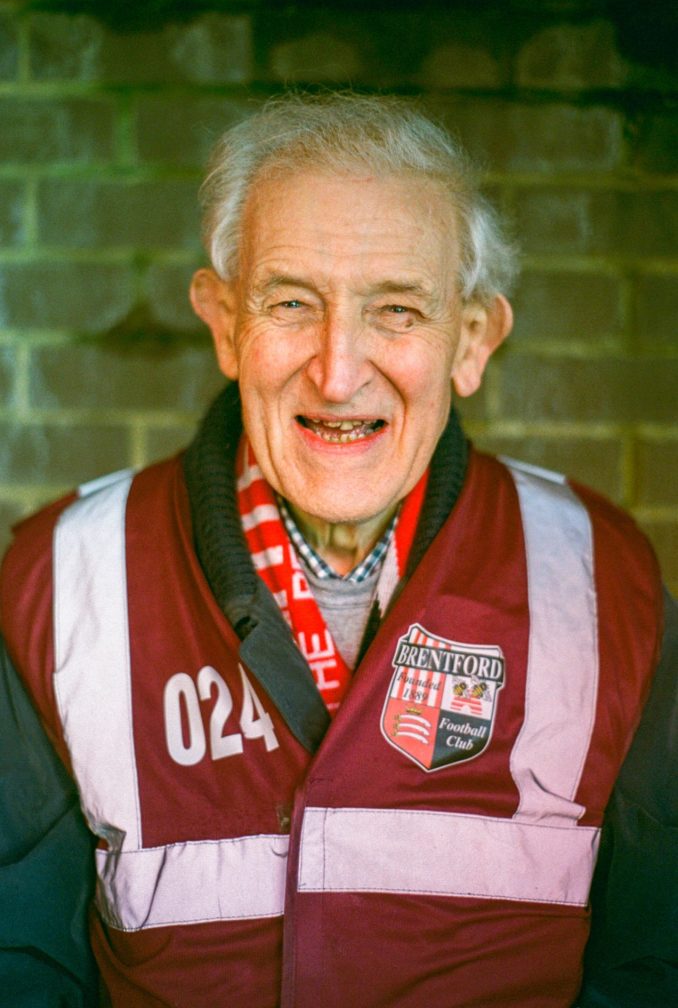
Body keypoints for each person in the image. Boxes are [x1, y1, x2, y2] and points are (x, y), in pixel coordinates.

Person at [0, 92, 675, 1008]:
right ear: (224, 323)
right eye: (291, 303)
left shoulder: (603, 580)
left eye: (396, 310)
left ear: (472, 341)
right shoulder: (60, 583)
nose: (338, 370)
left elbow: (655, 965)